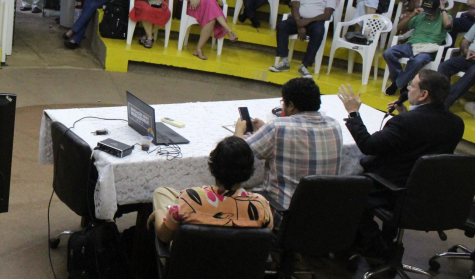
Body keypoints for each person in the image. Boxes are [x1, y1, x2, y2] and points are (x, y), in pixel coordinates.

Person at [338, 73, 463, 255]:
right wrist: (405, 114)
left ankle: (375, 244)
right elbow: (423, 142)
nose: (407, 89)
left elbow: (368, 146)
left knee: (348, 189)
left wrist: (353, 113)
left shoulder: (406, 123)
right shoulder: (456, 123)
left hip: (393, 189)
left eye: (412, 86)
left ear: (423, 95)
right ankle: (384, 241)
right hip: (427, 191)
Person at [236, 77, 343, 210]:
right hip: (323, 212)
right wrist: (265, 129)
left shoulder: (278, 127)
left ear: (291, 106)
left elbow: (238, 153)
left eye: (283, 102)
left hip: (283, 213)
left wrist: (239, 130)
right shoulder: (334, 124)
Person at [148, 136, 273, 243]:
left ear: (212, 167)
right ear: (250, 171)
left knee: (161, 193)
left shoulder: (188, 199)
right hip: (240, 269)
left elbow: (164, 236)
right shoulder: (261, 206)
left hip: (188, 267)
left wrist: (159, 213)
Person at [270, 0, 337, 78]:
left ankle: (305, 66)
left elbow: (327, 15)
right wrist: (301, 25)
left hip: (315, 22)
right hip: (298, 20)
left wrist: (308, 21)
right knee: (282, 26)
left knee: (319, 31)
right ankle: (284, 61)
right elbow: (294, 7)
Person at [382, 0, 452, 96]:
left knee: (418, 61)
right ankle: (403, 82)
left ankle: (396, 85)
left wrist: (443, 9)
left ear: (437, 9)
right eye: (426, 10)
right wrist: (412, 14)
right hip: (412, 45)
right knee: (388, 53)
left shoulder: (444, 17)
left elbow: (448, 25)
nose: (427, 13)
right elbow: (399, 26)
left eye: (430, 11)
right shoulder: (420, 16)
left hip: (429, 48)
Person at [438, 23, 475, 113]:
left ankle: (443, 104)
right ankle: (439, 99)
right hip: (468, 57)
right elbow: (465, 41)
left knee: (473, 72)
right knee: (445, 66)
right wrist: (466, 51)